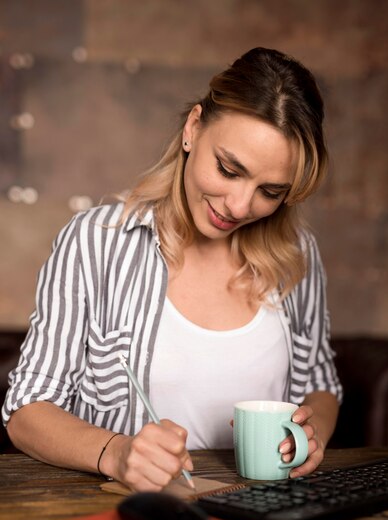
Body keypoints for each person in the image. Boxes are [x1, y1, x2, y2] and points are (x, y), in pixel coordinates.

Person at [2, 47, 342, 492]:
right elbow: (27, 409)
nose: (240, 206)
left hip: (264, 510)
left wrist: (310, 431)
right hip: (129, 514)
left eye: (271, 191)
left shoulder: (297, 253)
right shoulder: (96, 241)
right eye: (228, 169)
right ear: (192, 128)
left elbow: (320, 383)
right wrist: (117, 453)